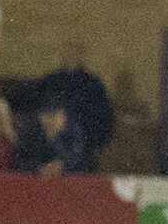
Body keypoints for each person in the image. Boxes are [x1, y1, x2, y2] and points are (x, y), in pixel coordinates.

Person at [36, 44, 113, 173]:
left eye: (75, 53)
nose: (71, 57)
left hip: (86, 146)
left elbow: (103, 117)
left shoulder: (92, 84)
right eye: (68, 53)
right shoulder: (52, 81)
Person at [12, 102, 70, 176]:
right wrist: (39, 168)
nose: (52, 120)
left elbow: (76, 160)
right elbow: (20, 162)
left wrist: (61, 165)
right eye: (49, 116)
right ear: (41, 117)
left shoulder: (70, 137)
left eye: (56, 116)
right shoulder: (29, 137)